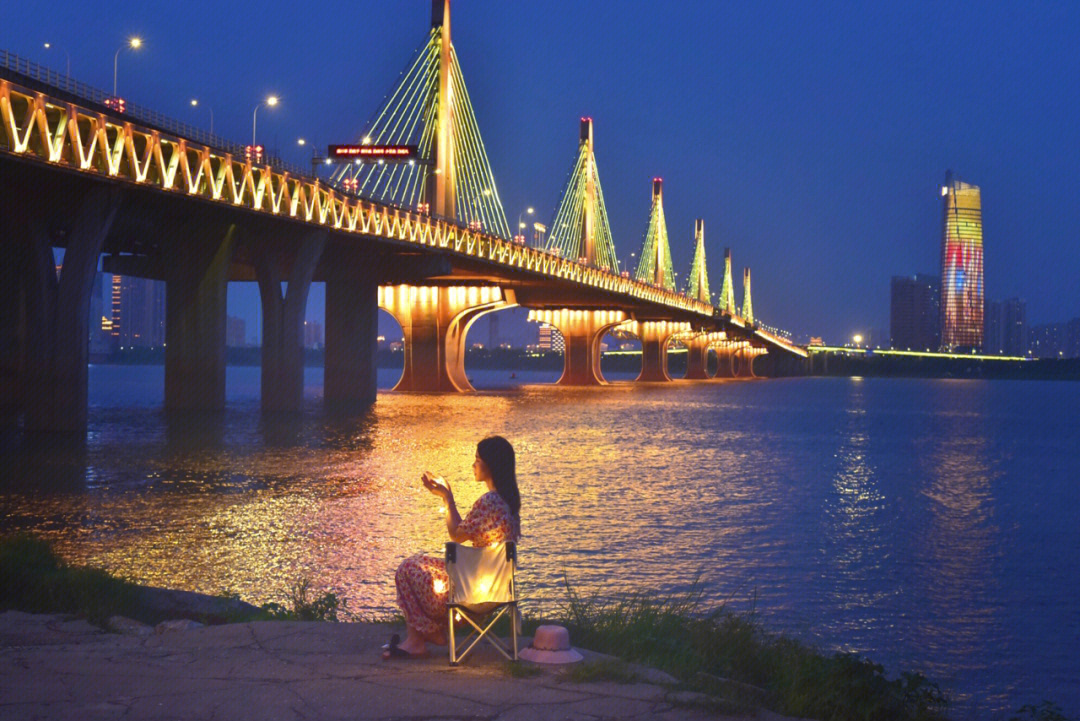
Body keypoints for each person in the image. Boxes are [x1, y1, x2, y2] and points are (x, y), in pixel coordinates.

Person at [384, 435, 522, 659]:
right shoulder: (509, 503)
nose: (473, 464)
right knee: (420, 564)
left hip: (469, 589)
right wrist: (447, 496)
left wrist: (447, 498)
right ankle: (422, 637)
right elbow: (463, 531)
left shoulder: (490, 502)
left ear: (491, 464)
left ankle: (421, 639)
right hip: (494, 586)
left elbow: (456, 535)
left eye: (477, 459)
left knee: (407, 568)